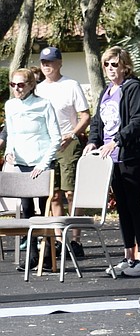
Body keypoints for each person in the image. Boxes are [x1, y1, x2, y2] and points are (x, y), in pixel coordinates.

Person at [85, 47, 140, 277]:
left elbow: (138, 121)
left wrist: (117, 140)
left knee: (135, 205)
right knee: (122, 207)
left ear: (125, 65)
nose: (110, 69)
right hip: (110, 158)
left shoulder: (132, 87)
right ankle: (128, 255)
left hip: (129, 154)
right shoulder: (107, 91)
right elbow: (98, 121)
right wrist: (93, 142)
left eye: (115, 64)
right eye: (107, 64)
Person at [35, 45, 91, 260]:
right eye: (43, 62)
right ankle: (59, 241)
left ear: (60, 63)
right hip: (48, 146)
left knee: (71, 193)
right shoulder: (38, 89)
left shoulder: (71, 85)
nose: (47, 66)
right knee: (54, 194)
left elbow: (85, 116)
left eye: (50, 62)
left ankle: (75, 240)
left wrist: (71, 135)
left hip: (68, 144)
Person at [3, 68, 61, 265]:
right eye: (13, 85)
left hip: (41, 163)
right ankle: (32, 253)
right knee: (27, 209)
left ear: (30, 85)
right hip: (21, 163)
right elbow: (11, 134)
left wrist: (43, 164)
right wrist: (8, 151)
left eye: (20, 85)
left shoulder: (44, 104)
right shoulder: (10, 105)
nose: (17, 89)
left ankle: (48, 254)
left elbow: (56, 138)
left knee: (45, 209)